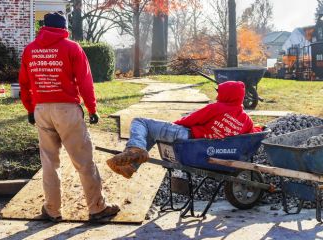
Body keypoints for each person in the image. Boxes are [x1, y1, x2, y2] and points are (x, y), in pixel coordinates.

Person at [19, 12, 119, 222]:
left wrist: (30, 109)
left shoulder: (30, 50)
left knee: (49, 162)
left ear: (44, 26)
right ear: (64, 27)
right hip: (67, 110)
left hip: (41, 110)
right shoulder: (72, 48)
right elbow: (85, 81)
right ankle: (97, 208)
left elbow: (24, 84)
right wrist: (92, 109)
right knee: (83, 161)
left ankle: (52, 210)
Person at [107, 81, 262, 179]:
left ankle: (135, 149)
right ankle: (131, 166)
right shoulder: (246, 120)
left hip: (186, 138)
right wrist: (261, 129)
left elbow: (191, 120)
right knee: (152, 133)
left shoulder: (217, 108)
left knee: (140, 122)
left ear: (227, 95)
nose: (217, 95)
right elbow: (252, 133)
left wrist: (172, 124)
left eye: (220, 92)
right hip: (204, 149)